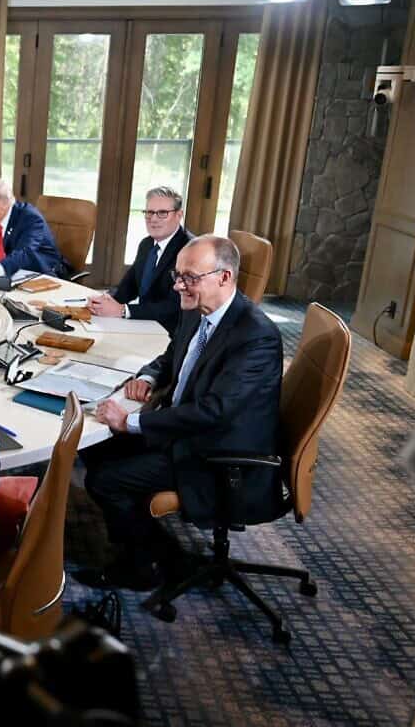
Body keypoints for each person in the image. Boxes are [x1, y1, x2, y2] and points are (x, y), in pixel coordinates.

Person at [75, 235, 283, 591]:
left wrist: (131, 422)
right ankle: (158, 549)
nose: (177, 285)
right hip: (185, 429)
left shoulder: (256, 336)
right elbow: (174, 355)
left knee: (106, 481)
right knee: (96, 448)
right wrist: (148, 375)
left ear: (225, 278)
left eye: (189, 277)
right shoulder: (198, 308)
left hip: (216, 451)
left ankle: (142, 568)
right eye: (177, 275)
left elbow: (214, 411)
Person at [88, 186, 193, 334]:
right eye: (149, 212)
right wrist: (104, 300)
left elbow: (175, 306)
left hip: (172, 332)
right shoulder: (146, 244)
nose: (153, 219)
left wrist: (123, 310)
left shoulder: (190, 250)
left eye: (162, 213)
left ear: (178, 215)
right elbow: (128, 286)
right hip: (147, 324)